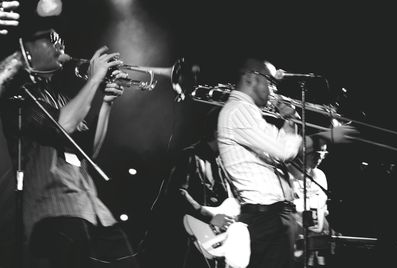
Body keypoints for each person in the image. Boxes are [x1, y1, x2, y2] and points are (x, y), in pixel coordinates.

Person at [0, 28, 141, 267]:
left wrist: (106, 103)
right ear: (27, 50)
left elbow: (89, 151)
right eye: (50, 39)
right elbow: (63, 124)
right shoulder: (18, 97)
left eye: (60, 39)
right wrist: (95, 78)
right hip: (54, 212)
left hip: (93, 211)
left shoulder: (61, 97)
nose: (59, 43)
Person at [217, 57, 358, 268]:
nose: (274, 90)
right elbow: (284, 150)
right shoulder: (238, 110)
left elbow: (284, 148)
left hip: (275, 217)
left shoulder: (250, 113)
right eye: (270, 82)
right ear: (250, 78)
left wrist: (290, 120)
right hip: (265, 219)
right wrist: (325, 136)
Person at [140, 107, 236, 268]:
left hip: (202, 242)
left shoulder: (221, 163)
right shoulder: (190, 155)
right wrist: (210, 217)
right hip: (176, 240)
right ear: (218, 132)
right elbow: (178, 193)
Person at [288, 144, 333, 267]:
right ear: (303, 150)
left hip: (317, 238)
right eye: (317, 153)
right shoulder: (288, 173)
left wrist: (321, 227)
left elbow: (322, 206)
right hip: (295, 237)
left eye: (324, 153)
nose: (320, 157)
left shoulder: (320, 175)